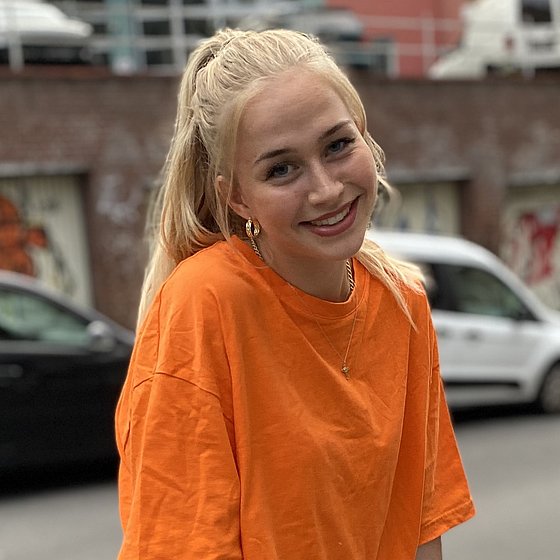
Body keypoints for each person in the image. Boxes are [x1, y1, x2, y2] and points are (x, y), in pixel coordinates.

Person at [115, 27, 475, 560]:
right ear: (237, 197)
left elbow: (421, 526)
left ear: (365, 136)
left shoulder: (403, 301)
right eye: (281, 169)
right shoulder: (204, 303)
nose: (326, 189)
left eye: (338, 145)